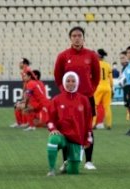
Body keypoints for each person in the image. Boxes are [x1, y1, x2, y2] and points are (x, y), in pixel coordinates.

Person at [53, 26, 100, 170]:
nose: (77, 38)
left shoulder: (91, 55)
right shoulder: (63, 56)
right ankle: (66, 160)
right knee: (66, 128)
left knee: (88, 128)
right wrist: (64, 91)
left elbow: (96, 76)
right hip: (68, 99)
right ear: (70, 38)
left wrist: (90, 90)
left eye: (79, 35)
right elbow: (58, 76)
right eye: (74, 35)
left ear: (83, 38)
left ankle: (88, 160)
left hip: (86, 98)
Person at [46, 72, 93, 176]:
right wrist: (53, 129)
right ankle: (52, 169)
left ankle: (67, 164)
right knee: (53, 139)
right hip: (61, 136)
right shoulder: (56, 100)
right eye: (68, 81)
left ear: (77, 83)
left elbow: (88, 120)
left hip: (76, 138)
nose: (70, 83)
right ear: (63, 83)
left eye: (73, 81)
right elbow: (49, 119)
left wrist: (88, 137)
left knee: (73, 172)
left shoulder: (84, 100)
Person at [93, 49, 113, 130]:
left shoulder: (95, 64)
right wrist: (111, 88)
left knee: (94, 106)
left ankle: (93, 124)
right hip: (107, 87)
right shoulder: (108, 65)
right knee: (107, 107)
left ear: (98, 55)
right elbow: (111, 79)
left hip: (98, 87)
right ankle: (109, 124)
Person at [11, 58, 32, 128]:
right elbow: (25, 83)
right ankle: (20, 122)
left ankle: (25, 123)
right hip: (27, 92)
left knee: (21, 106)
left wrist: (25, 92)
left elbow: (28, 83)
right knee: (17, 105)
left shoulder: (27, 71)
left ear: (24, 64)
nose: (19, 64)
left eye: (20, 63)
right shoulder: (25, 71)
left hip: (30, 93)